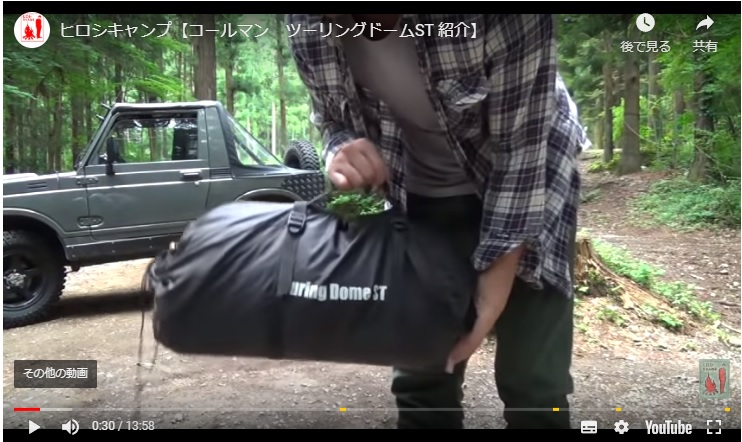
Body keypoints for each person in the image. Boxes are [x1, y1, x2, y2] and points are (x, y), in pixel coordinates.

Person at [288, 14, 584, 429]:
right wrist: (340, 150)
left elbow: (522, 149)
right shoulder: (306, 19)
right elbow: (332, 119)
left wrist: (492, 295)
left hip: (533, 180)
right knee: (422, 376)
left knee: (534, 381)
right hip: (413, 195)